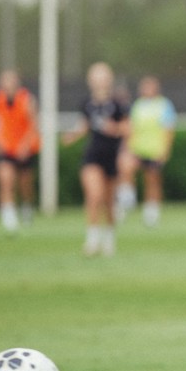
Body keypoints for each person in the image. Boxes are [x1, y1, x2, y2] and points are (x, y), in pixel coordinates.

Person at [61, 62, 129, 257]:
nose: (100, 81)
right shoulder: (87, 104)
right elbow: (85, 125)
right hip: (93, 156)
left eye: (103, 77)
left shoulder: (118, 104)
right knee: (94, 195)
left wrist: (113, 128)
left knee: (108, 203)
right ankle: (92, 240)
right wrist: (73, 135)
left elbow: (127, 129)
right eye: (96, 77)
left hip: (111, 157)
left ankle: (109, 238)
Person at [115, 75, 176, 227]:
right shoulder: (138, 105)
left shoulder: (163, 105)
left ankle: (151, 212)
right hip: (137, 148)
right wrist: (126, 145)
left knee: (152, 180)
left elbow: (168, 129)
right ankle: (127, 198)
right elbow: (131, 127)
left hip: (155, 149)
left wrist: (166, 150)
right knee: (125, 169)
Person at [0, 70, 39, 233]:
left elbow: (34, 124)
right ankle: (9, 217)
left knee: (25, 185)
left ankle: (27, 207)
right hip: (5, 148)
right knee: (5, 181)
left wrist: (26, 145)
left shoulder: (27, 100)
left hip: (24, 148)